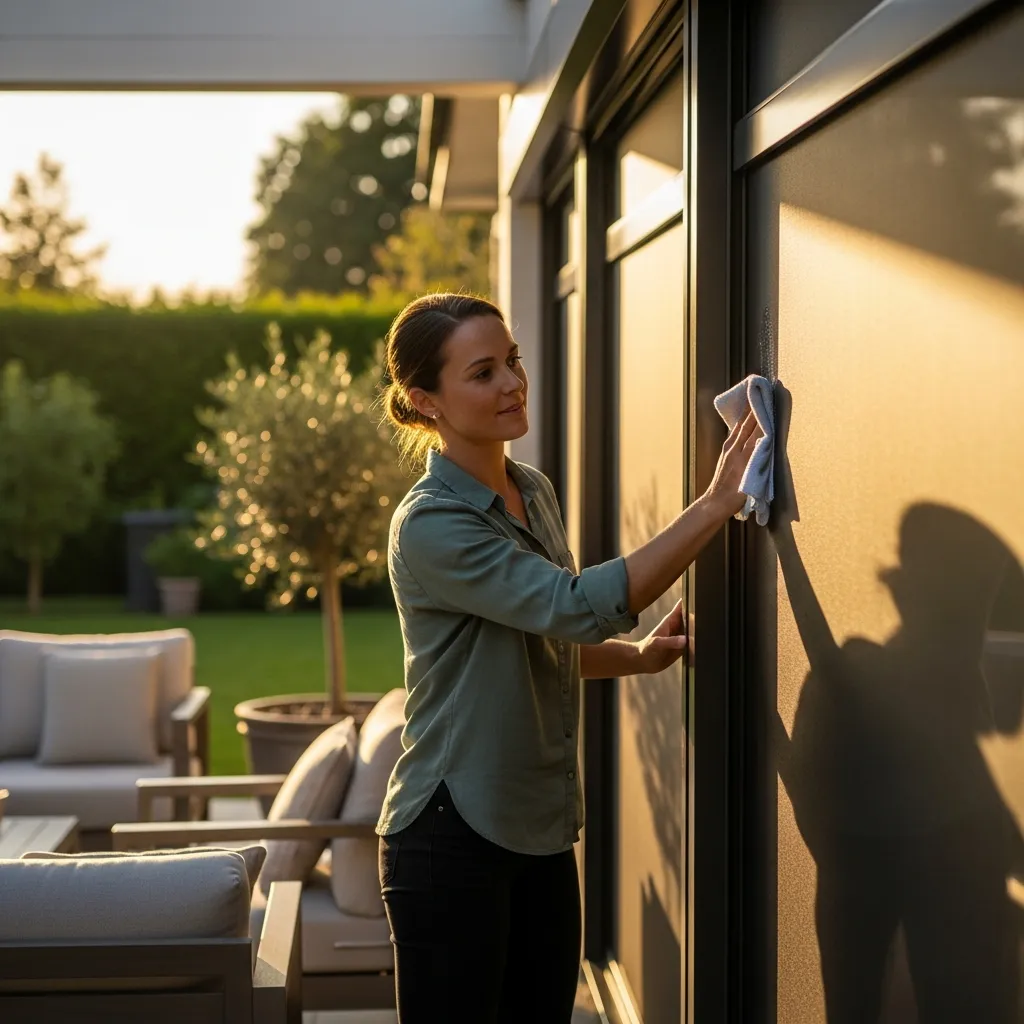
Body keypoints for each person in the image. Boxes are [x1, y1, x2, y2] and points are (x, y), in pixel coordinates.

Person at [376, 292, 759, 1023]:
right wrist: (713, 504)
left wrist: (640, 658)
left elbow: (542, 641)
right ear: (425, 401)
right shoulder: (430, 527)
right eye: (483, 372)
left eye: (512, 361)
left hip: (539, 828)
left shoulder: (532, 490)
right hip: (450, 835)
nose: (514, 383)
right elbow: (576, 605)